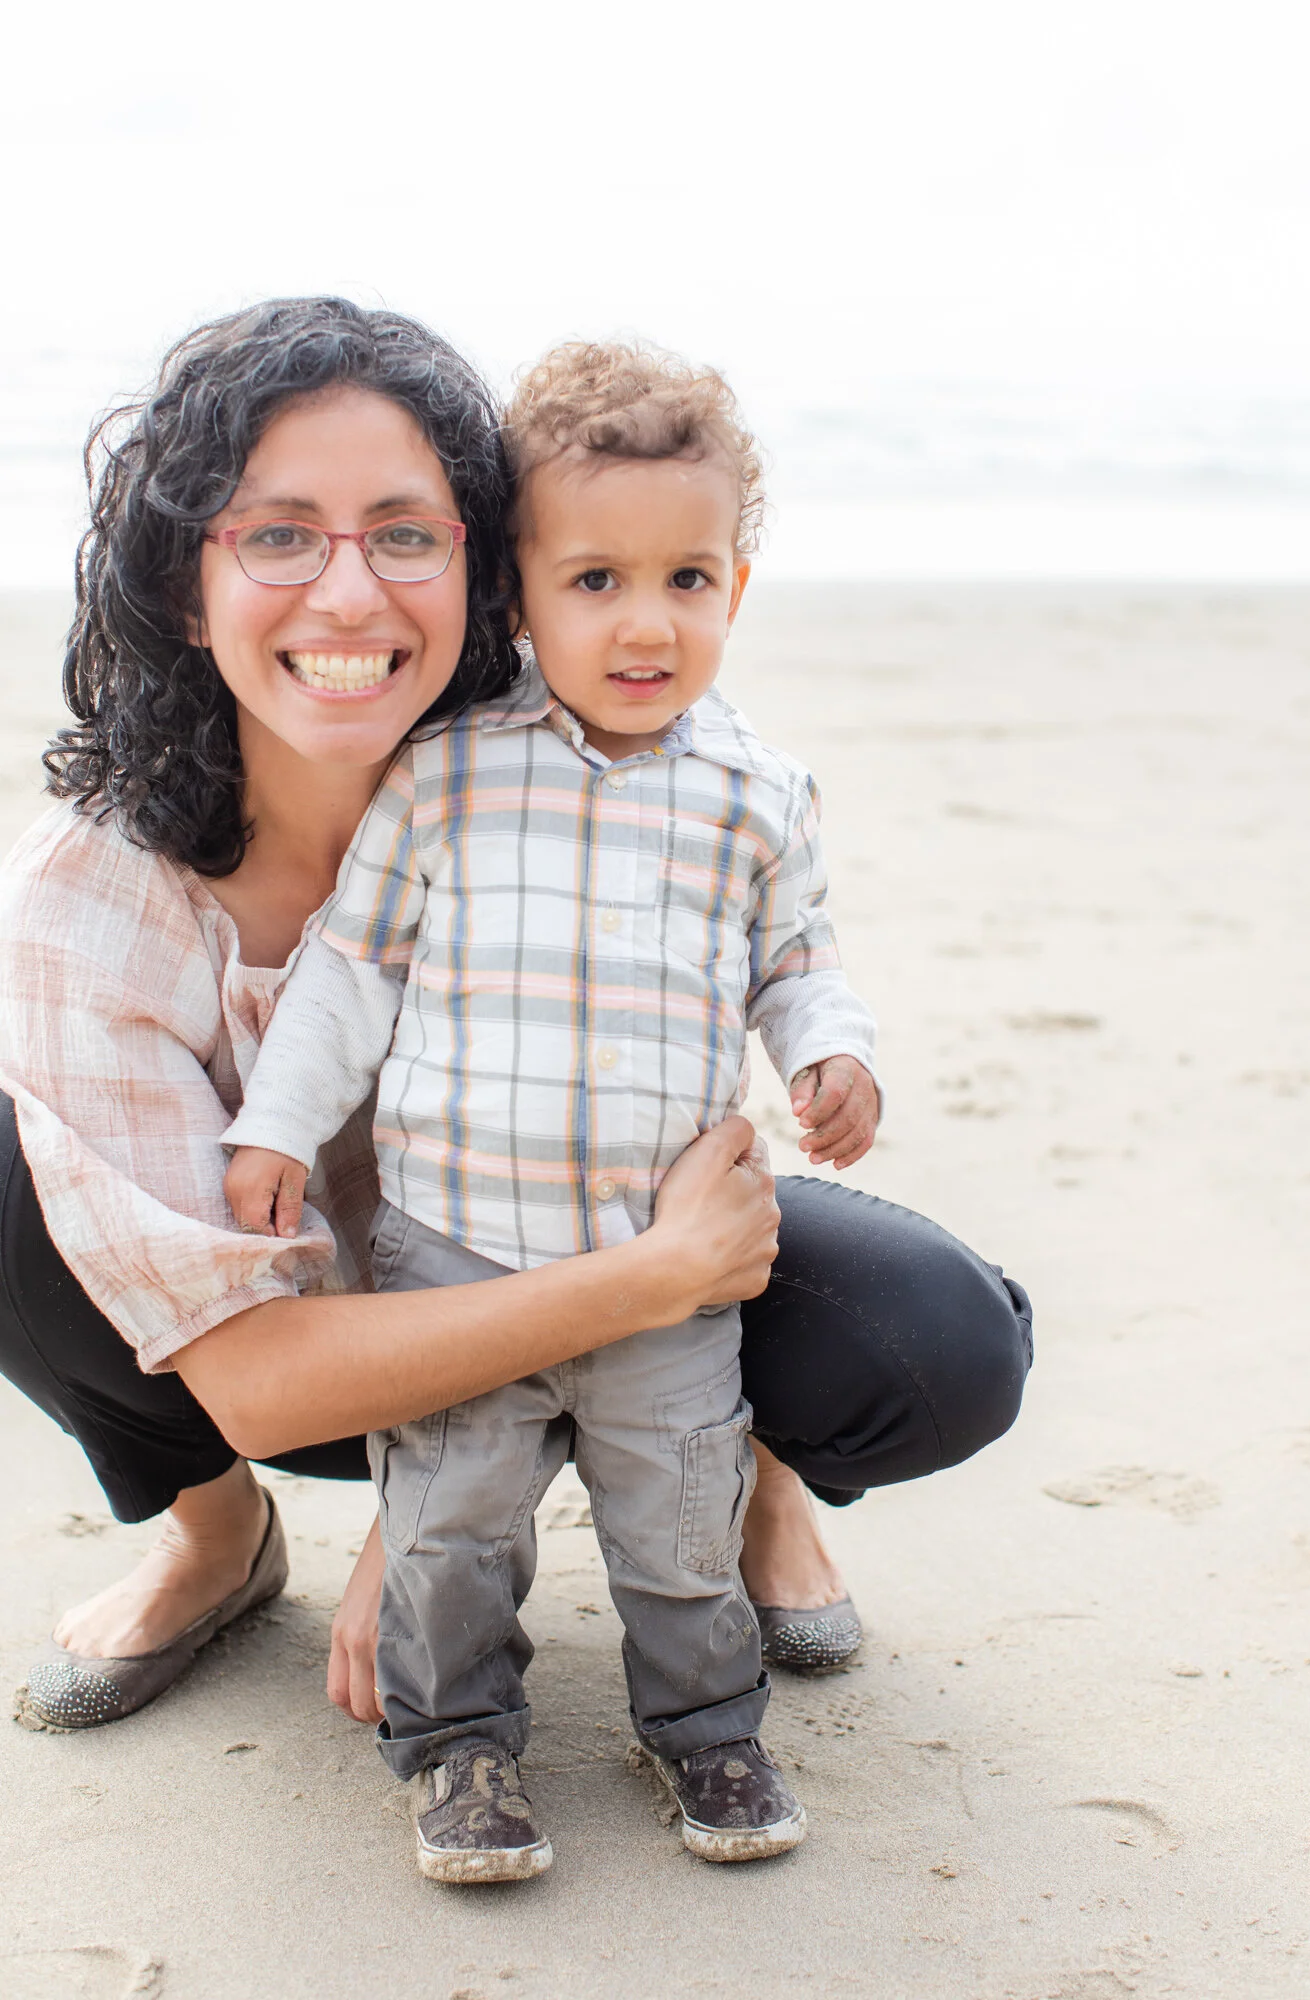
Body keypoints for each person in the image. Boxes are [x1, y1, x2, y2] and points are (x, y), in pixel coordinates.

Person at [0, 297, 1031, 1812]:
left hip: (611, 1247)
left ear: (486, 563)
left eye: (405, 534)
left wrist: (791, 1094)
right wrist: (435, 1511)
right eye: (279, 534)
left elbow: (766, 913)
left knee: (938, 1341)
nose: (349, 596)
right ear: (183, 572)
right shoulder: (96, 901)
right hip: (342, 1352)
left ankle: (763, 1480)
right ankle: (215, 1540)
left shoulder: (573, 748)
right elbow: (268, 1383)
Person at [222, 340, 881, 1879]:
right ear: (518, 590)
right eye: (595, 580)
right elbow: (349, 970)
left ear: (736, 585)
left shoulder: (756, 794)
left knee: (678, 1523)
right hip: (462, 1253)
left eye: (689, 579)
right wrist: (272, 1125)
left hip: (669, 1266)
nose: (645, 622)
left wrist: (830, 1053)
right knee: (452, 1529)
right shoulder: (447, 775)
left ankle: (710, 1735)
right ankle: (456, 1753)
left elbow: (799, 960)